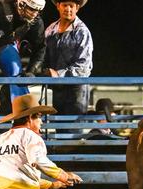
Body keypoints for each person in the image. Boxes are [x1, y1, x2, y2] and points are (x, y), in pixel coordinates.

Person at [44, 0, 93, 131]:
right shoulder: (50, 30)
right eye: (65, 5)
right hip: (58, 89)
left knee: (73, 131)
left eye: (71, 6)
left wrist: (58, 74)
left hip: (76, 90)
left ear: (77, 8)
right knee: (59, 128)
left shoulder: (82, 31)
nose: (68, 9)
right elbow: (44, 55)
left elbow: (84, 67)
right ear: (58, 6)